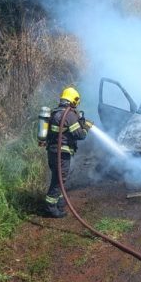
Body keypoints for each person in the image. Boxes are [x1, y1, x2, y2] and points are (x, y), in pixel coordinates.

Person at [44, 87, 92, 218]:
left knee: (59, 177)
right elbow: (80, 135)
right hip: (61, 153)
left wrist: (80, 122)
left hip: (52, 152)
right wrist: (86, 127)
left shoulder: (55, 112)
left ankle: (59, 202)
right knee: (59, 179)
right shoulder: (69, 115)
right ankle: (50, 207)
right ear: (73, 100)